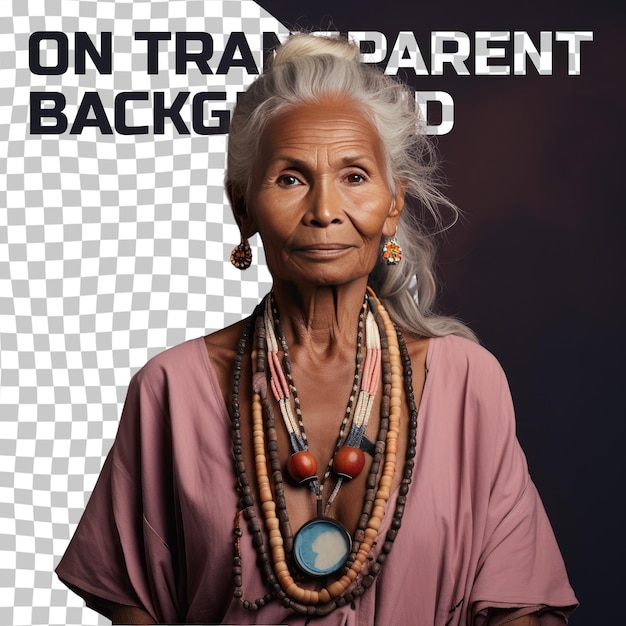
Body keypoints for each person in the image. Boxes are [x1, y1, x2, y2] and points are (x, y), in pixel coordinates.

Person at [56, 34, 578, 625]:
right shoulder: (170, 389)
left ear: (392, 204)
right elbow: (135, 610)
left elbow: (519, 610)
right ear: (243, 208)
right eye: (290, 179)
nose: (325, 209)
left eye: (354, 176)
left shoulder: (466, 383)